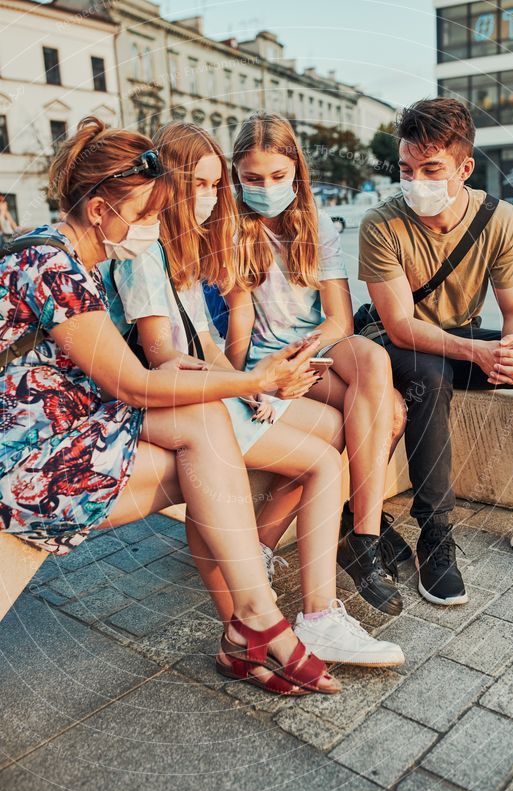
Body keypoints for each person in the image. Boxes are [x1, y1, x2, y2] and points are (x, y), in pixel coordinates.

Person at [0, 115, 343, 697]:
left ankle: (253, 621)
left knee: (205, 428)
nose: (156, 227)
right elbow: (133, 384)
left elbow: (145, 372)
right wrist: (251, 380)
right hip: (28, 461)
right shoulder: (50, 265)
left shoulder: (73, 256)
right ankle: (254, 625)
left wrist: (232, 379)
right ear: (100, 210)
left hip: (68, 429)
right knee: (207, 447)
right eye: (147, 215)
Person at [101, 120, 404, 669]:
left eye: (216, 186)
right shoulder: (144, 254)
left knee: (334, 434)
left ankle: (301, 589)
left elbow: (209, 345)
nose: (210, 197)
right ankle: (318, 612)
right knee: (320, 460)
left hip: (207, 393)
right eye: (199, 184)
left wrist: (249, 386)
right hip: (174, 405)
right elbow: (160, 353)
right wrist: (248, 383)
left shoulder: (183, 250)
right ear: (164, 183)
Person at [225, 111, 411, 617]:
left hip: (318, 348)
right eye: (253, 179)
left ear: (296, 173)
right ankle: (342, 541)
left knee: (372, 358)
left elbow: (339, 321)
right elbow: (239, 328)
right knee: (390, 412)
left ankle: (364, 539)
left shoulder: (317, 223)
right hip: (270, 359)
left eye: (278, 177)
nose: (266, 187)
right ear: (236, 176)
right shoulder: (234, 230)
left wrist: (305, 356)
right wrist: (251, 381)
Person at [358, 96, 513, 606]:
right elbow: (398, 324)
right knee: (430, 376)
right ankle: (435, 535)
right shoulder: (381, 225)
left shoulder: (498, 219)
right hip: (399, 344)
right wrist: (477, 353)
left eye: (431, 169)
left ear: (465, 168)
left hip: (461, 339)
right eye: (407, 169)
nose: (416, 181)